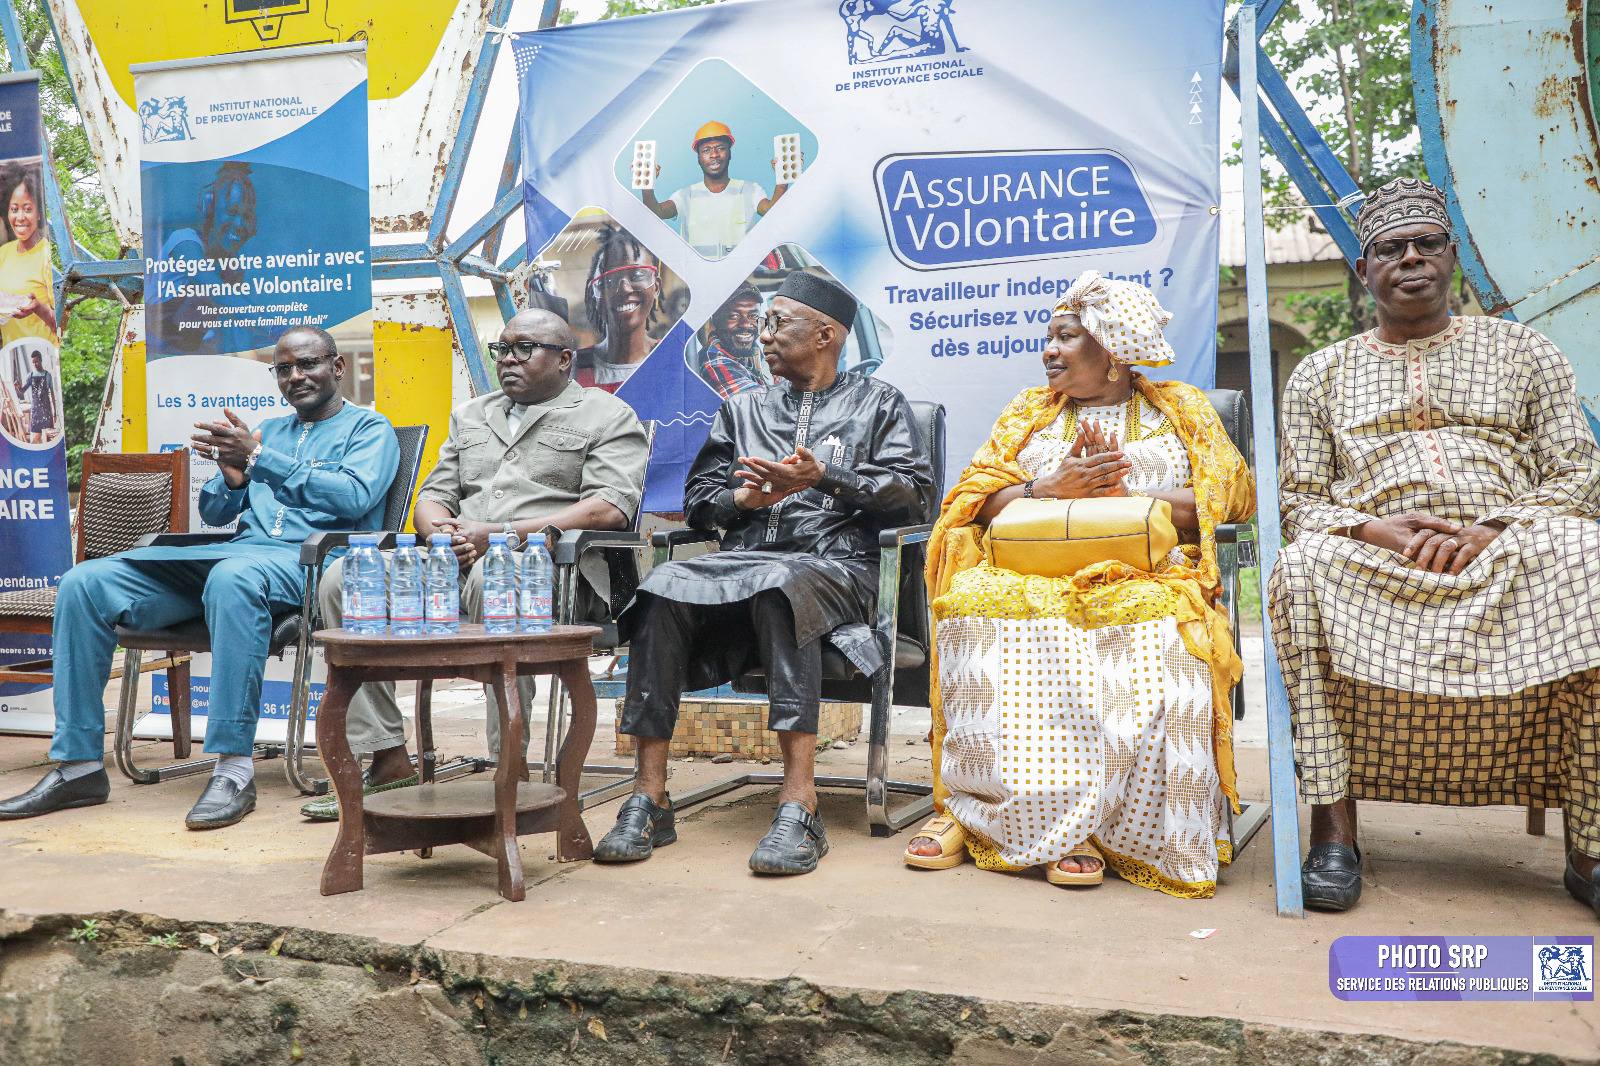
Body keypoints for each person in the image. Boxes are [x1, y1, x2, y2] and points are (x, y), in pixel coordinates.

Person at [1267, 178, 1600, 919]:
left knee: (1593, 560)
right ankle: (1334, 830)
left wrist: (1495, 529)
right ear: (1365, 270)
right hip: (1377, 557)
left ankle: (1590, 846)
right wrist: (1372, 529)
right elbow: (1299, 500)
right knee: (1299, 568)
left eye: (1427, 244)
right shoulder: (1322, 373)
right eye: (1390, 248)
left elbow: (1578, 469)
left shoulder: (1525, 351)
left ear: (1453, 256)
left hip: (1513, 544)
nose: (1410, 259)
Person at [904, 271, 1255, 896]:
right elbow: (971, 500)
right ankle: (982, 812)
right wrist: (1046, 488)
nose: (1049, 351)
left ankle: (1108, 828)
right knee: (978, 607)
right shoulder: (1029, 415)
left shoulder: (1180, 409)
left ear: (1115, 350)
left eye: (1066, 337)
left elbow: (1228, 498)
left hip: (1142, 573)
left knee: (1156, 632)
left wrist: (1126, 495)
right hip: (1027, 572)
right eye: (1049, 337)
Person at [593, 271, 935, 875]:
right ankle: (649, 796)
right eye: (766, 324)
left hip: (837, 565)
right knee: (658, 586)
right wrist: (741, 504)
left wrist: (825, 477)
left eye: (779, 324)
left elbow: (914, 497)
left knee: (785, 583)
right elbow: (699, 499)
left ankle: (799, 805)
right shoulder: (743, 407)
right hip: (743, 560)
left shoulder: (879, 404)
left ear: (825, 334)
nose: (764, 336)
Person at [0, 326, 399, 830]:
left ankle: (232, 769)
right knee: (85, 583)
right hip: (233, 558)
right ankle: (79, 765)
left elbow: (353, 499)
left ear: (337, 368)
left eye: (308, 364)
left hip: (307, 564)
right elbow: (213, 507)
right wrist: (233, 480)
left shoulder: (370, 429)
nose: (296, 376)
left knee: (232, 578)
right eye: (284, 369)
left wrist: (257, 460)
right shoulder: (268, 430)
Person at [303, 309, 650, 819]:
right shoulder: (471, 415)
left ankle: (507, 764)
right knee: (342, 579)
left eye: (524, 349)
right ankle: (386, 756)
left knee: (498, 575)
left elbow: (610, 508)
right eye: (502, 349)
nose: (508, 359)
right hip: (458, 557)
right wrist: (441, 531)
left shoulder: (607, 415)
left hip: (552, 570)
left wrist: (502, 537)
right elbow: (433, 497)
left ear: (564, 360)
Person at [641, 122, 796, 259]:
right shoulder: (685, 196)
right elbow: (657, 212)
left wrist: (782, 181)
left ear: (730, 153)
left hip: (740, 275)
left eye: (720, 148)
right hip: (699, 274)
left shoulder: (750, 190)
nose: (714, 154)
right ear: (699, 158)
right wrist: (647, 184)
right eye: (707, 150)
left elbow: (773, 212)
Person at [572, 225, 664, 393]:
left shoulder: (671, 357)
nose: (624, 289)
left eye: (636, 275)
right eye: (608, 281)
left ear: (656, 287)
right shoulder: (573, 368)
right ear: (595, 295)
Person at [0, 173, 56, 346]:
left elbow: (61, 322)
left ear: (39, 214)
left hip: (43, 355)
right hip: (10, 358)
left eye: (28, 209)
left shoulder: (47, 254)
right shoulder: (4, 252)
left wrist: (38, 307)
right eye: (14, 209)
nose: (20, 217)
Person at [698, 284, 770, 397]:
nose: (746, 324)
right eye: (734, 316)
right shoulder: (714, 361)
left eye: (753, 316)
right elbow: (759, 406)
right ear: (717, 321)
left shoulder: (751, 350)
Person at [21, 350, 57, 443]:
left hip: (46, 410)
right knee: (36, 438)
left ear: (40, 360)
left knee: (48, 438)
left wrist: (55, 412)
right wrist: (17, 388)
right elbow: (22, 391)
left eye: (36, 361)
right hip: (36, 411)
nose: (35, 364)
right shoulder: (30, 375)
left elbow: (52, 394)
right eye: (33, 362)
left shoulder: (47, 375)